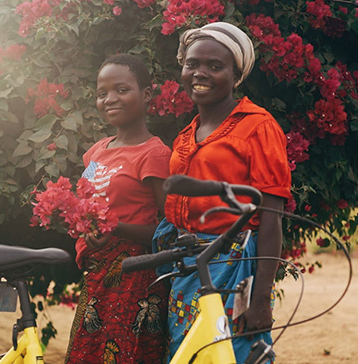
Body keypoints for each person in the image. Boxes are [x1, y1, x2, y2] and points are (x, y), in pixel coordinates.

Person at [153, 22, 292, 363]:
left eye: (215, 67)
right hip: (189, 268)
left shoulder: (258, 127)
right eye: (192, 64)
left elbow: (271, 219)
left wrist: (261, 298)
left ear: (235, 75)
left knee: (235, 354)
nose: (200, 73)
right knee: (191, 354)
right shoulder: (186, 135)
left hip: (235, 269)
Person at [65, 54, 170, 364]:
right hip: (95, 277)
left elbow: (168, 230)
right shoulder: (96, 151)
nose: (110, 99)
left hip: (133, 280)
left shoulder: (155, 154)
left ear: (147, 94)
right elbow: (86, 208)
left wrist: (116, 228)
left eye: (121, 90)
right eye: (102, 93)